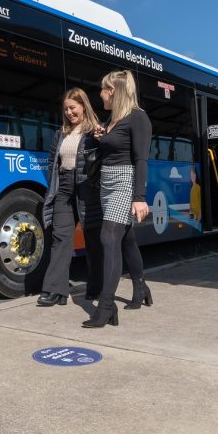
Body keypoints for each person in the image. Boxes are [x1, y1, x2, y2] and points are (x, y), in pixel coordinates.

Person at [83, 69, 153, 328]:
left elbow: (141, 159)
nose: (100, 94)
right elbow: (111, 147)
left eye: (103, 89)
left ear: (112, 91)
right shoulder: (112, 118)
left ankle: (106, 305)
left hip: (125, 180)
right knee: (125, 239)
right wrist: (101, 137)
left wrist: (140, 197)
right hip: (106, 182)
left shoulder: (138, 118)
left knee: (108, 236)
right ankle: (140, 287)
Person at [37, 89, 102, 306]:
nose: (69, 112)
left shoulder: (95, 131)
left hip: (87, 187)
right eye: (66, 109)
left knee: (93, 238)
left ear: (83, 106)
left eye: (72, 107)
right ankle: (55, 290)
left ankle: (96, 288)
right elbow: (51, 161)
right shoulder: (60, 133)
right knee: (60, 237)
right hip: (64, 187)